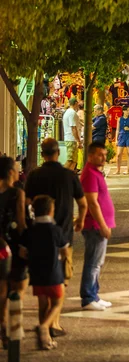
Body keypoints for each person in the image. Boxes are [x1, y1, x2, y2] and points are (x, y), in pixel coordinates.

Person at [25, 138, 87, 334]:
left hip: (38, 237)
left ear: (42, 154)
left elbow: (26, 203)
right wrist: (80, 221)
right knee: (60, 282)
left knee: (43, 284)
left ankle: (45, 322)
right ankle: (53, 324)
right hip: (64, 237)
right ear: (57, 154)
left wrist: (28, 226)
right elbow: (83, 203)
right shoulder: (68, 175)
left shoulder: (34, 176)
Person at [20, 195, 68, 350]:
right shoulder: (55, 230)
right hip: (53, 272)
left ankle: (45, 339)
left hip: (36, 273)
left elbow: (22, 253)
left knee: (42, 304)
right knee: (57, 302)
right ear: (50, 211)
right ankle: (44, 326)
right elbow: (65, 250)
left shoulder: (30, 231)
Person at [80, 142, 116, 311]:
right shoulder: (89, 175)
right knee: (93, 262)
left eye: (104, 154)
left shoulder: (96, 173)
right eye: (100, 155)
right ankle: (88, 297)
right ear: (90, 156)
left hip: (99, 224)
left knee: (97, 262)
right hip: (94, 226)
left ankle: (94, 294)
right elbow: (92, 202)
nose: (103, 158)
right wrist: (102, 224)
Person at [0, 156, 26, 349]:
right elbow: (21, 223)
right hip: (10, 245)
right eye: (16, 169)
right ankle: (10, 326)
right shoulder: (17, 193)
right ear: (10, 173)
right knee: (15, 287)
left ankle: (2, 322)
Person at [114, 107, 129, 175]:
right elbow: (117, 129)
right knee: (119, 154)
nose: (128, 112)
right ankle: (118, 170)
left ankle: (128, 170)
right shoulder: (119, 119)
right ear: (123, 111)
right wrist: (116, 139)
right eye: (126, 111)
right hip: (121, 136)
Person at [63, 98, 82, 170]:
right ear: (75, 103)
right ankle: (60, 176)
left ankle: (69, 177)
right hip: (71, 139)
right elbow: (73, 128)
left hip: (72, 139)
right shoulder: (71, 113)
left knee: (74, 161)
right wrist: (78, 141)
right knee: (70, 160)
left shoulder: (70, 112)